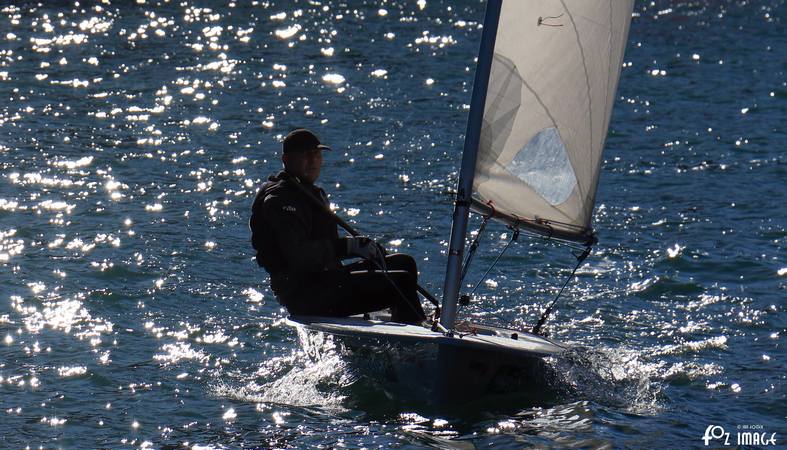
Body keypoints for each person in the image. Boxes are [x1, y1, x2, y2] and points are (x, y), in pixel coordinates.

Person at [250, 128, 427, 324]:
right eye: (306, 155)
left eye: (317, 155)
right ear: (286, 159)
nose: (313, 161)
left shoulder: (309, 192)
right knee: (400, 281)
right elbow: (298, 257)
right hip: (304, 295)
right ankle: (420, 340)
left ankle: (405, 321)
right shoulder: (280, 199)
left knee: (403, 263)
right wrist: (349, 247)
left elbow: (327, 252)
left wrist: (364, 249)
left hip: (327, 282)